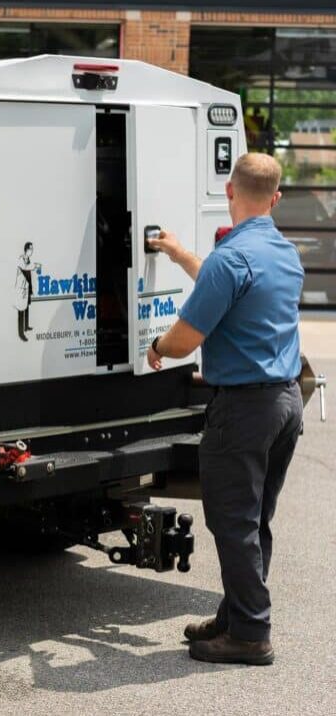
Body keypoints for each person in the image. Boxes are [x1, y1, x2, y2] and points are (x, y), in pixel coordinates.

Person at [145, 153, 303, 666]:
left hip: (244, 409)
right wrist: (180, 254)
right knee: (255, 519)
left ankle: (251, 634)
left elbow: (187, 336)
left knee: (233, 522)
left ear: (229, 191)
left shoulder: (231, 259)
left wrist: (157, 348)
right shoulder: (283, 253)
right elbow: (223, 283)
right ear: (275, 199)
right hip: (284, 405)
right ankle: (237, 615)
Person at [14, 242, 41, 341]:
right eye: (30, 249)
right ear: (26, 249)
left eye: (32, 249)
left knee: (27, 307)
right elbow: (25, 267)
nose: (31, 251)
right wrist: (36, 266)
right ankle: (21, 333)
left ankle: (26, 326)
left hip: (27, 286)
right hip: (21, 288)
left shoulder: (28, 259)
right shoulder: (21, 259)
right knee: (21, 309)